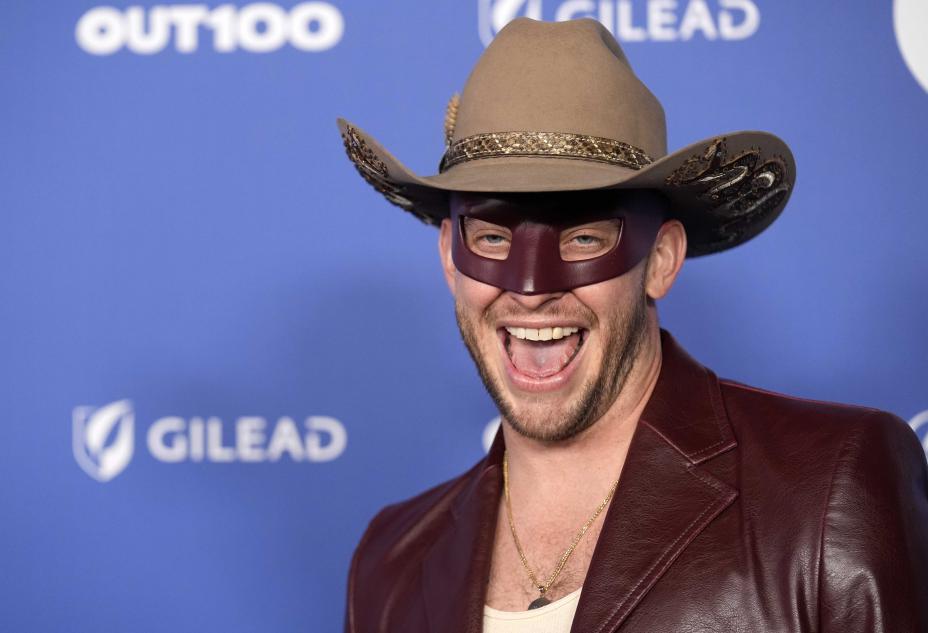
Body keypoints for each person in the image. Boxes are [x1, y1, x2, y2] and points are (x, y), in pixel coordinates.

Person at [337, 17, 928, 633]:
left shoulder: (829, 491)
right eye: (491, 238)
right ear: (448, 258)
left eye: (584, 238)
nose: (532, 292)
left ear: (662, 260)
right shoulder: (390, 562)